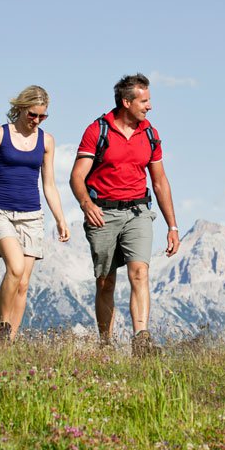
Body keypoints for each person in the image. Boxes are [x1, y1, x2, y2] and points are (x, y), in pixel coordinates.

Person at [70, 73, 180, 356]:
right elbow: (77, 177)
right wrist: (86, 204)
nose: (149, 106)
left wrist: (173, 226)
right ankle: (105, 344)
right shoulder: (98, 130)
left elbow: (159, 182)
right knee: (105, 282)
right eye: (144, 101)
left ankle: (141, 340)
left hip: (138, 212)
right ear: (126, 101)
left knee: (140, 272)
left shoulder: (150, 134)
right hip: (103, 214)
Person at [0, 85, 70, 340]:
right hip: (0, 211)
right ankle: (2, 328)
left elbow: (49, 184)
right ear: (21, 108)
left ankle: (9, 343)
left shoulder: (46, 141)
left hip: (32, 216)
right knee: (15, 267)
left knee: (23, 283)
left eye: (42, 116)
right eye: (32, 115)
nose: (36, 121)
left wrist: (60, 219)